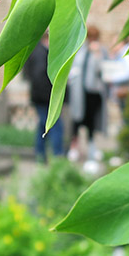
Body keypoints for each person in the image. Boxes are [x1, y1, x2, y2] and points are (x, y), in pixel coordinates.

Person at [67, 25, 108, 163]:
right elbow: (73, 68)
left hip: (93, 92)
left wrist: (97, 55)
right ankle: (74, 147)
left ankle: (92, 147)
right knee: (77, 120)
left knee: (91, 121)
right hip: (79, 92)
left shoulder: (101, 51)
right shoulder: (80, 50)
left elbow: (103, 69)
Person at [23, 32, 64, 162]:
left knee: (43, 126)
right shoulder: (41, 53)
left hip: (40, 97)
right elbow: (39, 77)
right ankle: (57, 155)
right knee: (55, 125)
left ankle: (40, 155)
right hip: (44, 98)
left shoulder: (37, 51)